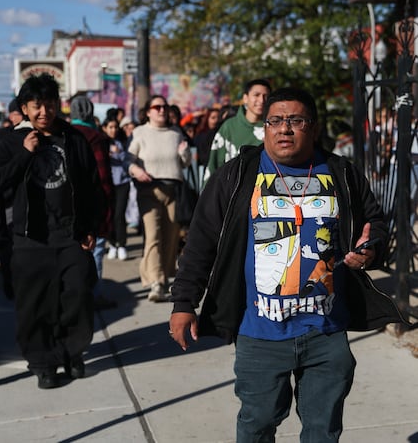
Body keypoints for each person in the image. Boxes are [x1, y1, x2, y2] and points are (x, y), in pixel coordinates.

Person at [169, 87, 404, 442]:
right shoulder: (238, 175)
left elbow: (375, 223)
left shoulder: (342, 172)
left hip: (326, 332)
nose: (284, 129)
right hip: (260, 333)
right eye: (275, 121)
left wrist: (369, 249)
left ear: (313, 126)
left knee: (323, 430)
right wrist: (184, 302)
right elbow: (201, 242)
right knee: (257, 425)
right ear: (265, 127)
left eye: (296, 120)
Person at [0, 74, 101, 389]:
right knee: (35, 307)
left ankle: (72, 353)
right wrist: (25, 153)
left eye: (49, 104)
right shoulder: (9, 140)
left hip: (70, 237)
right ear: (24, 107)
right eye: (36, 105)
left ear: (57, 105)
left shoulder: (74, 138)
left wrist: (91, 226)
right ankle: (43, 363)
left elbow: (92, 186)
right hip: (29, 239)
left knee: (77, 296)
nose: (43, 111)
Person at [127, 94, 192, 302]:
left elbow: (185, 163)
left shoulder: (175, 133)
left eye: (164, 106)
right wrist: (135, 169)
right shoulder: (140, 132)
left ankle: (163, 277)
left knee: (171, 236)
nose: (162, 110)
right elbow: (128, 160)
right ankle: (155, 282)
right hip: (149, 189)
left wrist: (185, 152)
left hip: (173, 189)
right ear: (148, 112)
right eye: (157, 107)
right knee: (153, 235)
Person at [70, 95, 116, 310]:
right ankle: (94, 294)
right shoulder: (95, 138)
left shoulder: (64, 133)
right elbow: (103, 177)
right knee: (95, 250)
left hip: (67, 204)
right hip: (94, 202)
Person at [204, 79, 271, 182]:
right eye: (256, 95)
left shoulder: (274, 128)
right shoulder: (229, 127)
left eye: (265, 96)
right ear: (245, 98)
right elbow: (214, 165)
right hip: (232, 191)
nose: (261, 100)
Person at [102, 115, 130, 261]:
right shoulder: (100, 142)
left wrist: (118, 153)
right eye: (110, 127)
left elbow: (128, 159)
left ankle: (122, 244)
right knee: (110, 215)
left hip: (122, 183)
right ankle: (112, 243)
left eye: (115, 127)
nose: (113, 130)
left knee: (120, 215)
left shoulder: (122, 142)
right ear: (104, 128)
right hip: (107, 183)